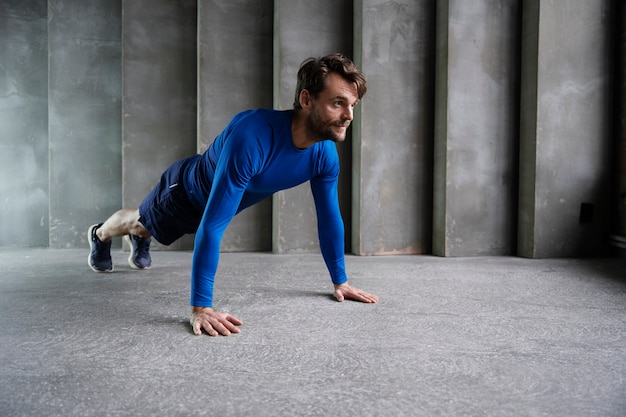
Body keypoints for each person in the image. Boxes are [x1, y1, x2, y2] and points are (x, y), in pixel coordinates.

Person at [87, 53, 379, 336]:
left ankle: (140, 238)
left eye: (353, 105)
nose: (348, 116)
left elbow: (330, 219)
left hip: (214, 204)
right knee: (141, 223)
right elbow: (213, 227)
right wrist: (201, 308)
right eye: (338, 103)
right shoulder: (252, 137)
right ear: (306, 99)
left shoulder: (324, 154)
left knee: (150, 230)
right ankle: (99, 234)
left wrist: (341, 282)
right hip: (183, 195)